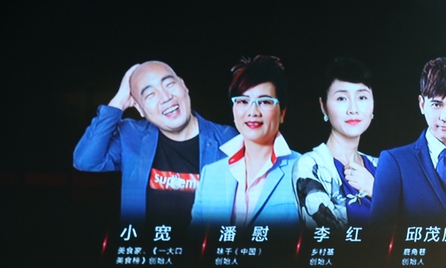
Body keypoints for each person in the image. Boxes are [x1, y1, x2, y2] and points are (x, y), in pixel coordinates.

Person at [72, 61, 237, 224]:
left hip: (203, 241)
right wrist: (119, 101)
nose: (166, 97)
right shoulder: (132, 136)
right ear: (140, 108)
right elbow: (85, 161)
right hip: (149, 242)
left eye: (169, 84)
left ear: (183, 86)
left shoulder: (227, 139)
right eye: (150, 94)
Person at [370, 58, 446, 228]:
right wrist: (443, 238)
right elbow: (376, 237)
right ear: (422, 104)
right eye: (437, 104)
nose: (445, 117)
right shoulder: (395, 162)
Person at [191, 55, 300, 229]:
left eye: (264, 102)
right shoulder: (211, 175)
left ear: (282, 113)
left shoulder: (306, 171)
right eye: (243, 101)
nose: (253, 112)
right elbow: (195, 242)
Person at [293, 58, 378, 230]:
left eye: (362, 97)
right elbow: (327, 235)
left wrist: (375, 189)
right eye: (341, 98)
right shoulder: (311, 166)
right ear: (323, 106)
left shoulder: (382, 166)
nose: (353, 109)